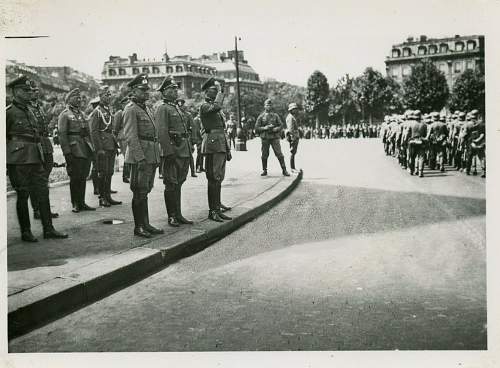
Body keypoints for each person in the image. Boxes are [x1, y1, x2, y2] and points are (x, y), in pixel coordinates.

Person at [6, 75, 67, 242]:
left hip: (35, 156)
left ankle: (49, 229)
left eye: (29, 91)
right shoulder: (9, 113)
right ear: (16, 92)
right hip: (18, 159)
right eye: (25, 91)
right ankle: (26, 232)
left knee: (43, 192)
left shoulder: (31, 111)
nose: (28, 94)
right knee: (23, 194)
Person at [122, 73, 163, 238]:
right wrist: (140, 158)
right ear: (133, 91)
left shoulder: (146, 108)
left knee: (145, 190)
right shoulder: (130, 109)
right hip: (140, 156)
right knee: (139, 191)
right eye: (142, 89)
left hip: (150, 154)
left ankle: (146, 224)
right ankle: (139, 227)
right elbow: (131, 137)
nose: (146, 92)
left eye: (147, 89)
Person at [155, 76, 193, 227]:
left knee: (179, 183)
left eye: (176, 88)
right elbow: (162, 132)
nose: (175, 91)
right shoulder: (162, 108)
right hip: (172, 151)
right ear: (164, 92)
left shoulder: (175, 107)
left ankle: (178, 214)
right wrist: (168, 152)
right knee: (171, 184)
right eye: (172, 89)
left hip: (182, 150)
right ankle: (172, 216)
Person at [199, 77, 232, 222]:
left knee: (218, 178)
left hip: (219, 144)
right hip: (213, 145)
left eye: (216, 90)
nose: (217, 92)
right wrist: (221, 92)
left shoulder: (213, 106)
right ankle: (213, 211)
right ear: (207, 92)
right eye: (214, 90)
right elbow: (217, 107)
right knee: (213, 178)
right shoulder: (204, 106)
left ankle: (217, 209)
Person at [58, 88, 96, 212]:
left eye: (80, 97)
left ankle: (82, 202)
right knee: (75, 177)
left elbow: (88, 132)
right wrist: (67, 152)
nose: (79, 100)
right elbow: (62, 135)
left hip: (84, 148)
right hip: (74, 149)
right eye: (76, 97)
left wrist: (92, 148)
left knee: (83, 176)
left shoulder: (82, 114)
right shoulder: (65, 114)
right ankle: (75, 203)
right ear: (69, 99)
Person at [29, 82, 59, 219]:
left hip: (45, 143)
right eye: (33, 90)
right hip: (36, 144)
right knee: (36, 179)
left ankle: (44, 208)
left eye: (36, 90)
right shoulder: (27, 108)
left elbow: (45, 123)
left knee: (45, 176)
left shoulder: (39, 106)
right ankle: (37, 210)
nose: (36, 92)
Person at [89, 86, 122, 207]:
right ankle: (102, 197)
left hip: (110, 145)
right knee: (103, 172)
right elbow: (94, 132)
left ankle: (108, 196)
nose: (108, 97)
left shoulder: (108, 110)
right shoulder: (97, 112)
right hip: (103, 146)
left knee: (109, 172)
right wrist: (99, 149)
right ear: (100, 96)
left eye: (109, 95)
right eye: (106, 95)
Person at [254, 99, 290, 177]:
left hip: (274, 137)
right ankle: (264, 170)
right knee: (264, 154)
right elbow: (256, 127)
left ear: (272, 106)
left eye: (270, 105)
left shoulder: (275, 115)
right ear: (264, 106)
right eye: (267, 105)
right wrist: (265, 128)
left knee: (279, 153)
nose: (269, 106)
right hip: (265, 137)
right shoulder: (261, 116)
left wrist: (276, 129)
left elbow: (281, 125)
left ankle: (284, 170)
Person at [176, 95, 197, 178]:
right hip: (177, 138)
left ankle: (193, 171)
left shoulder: (188, 115)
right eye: (180, 106)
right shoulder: (176, 114)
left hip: (187, 138)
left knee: (190, 156)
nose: (182, 107)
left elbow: (193, 127)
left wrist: (193, 140)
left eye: (182, 105)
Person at [113, 96, 131, 183]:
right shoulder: (120, 113)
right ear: (122, 104)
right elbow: (115, 127)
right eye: (126, 103)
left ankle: (128, 175)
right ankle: (125, 176)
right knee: (126, 156)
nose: (128, 104)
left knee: (130, 155)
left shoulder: (129, 111)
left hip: (128, 136)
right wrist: (115, 140)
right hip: (123, 137)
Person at [404, 110, 427, 177]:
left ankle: (412, 170)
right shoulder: (424, 124)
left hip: (412, 142)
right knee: (421, 157)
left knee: (412, 157)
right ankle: (420, 171)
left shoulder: (410, 124)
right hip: (421, 141)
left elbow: (407, 133)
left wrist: (406, 141)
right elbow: (425, 135)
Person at [285, 102, 300, 172]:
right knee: (292, 152)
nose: (296, 110)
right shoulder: (290, 117)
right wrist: (293, 138)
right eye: (294, 109)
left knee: (293, 152)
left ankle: (293, 167)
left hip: (294, 136)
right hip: (293, 137)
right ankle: (292, 168)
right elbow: (291, 129)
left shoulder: (292, 117)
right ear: (291, 110)